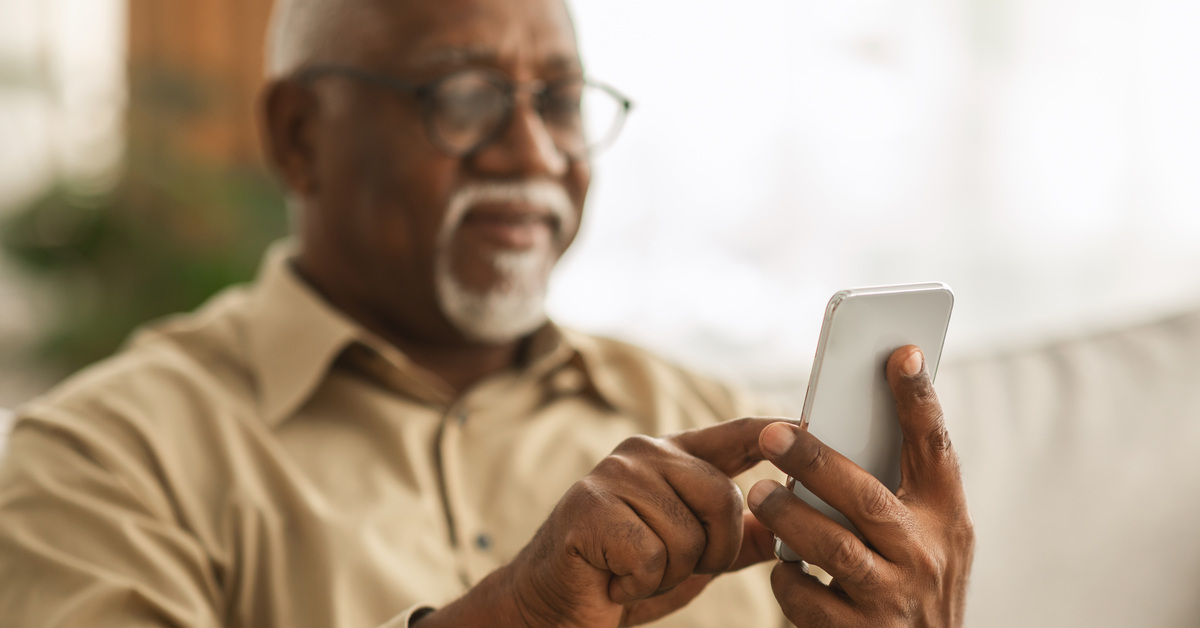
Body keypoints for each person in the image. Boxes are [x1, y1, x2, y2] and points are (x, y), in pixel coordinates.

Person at [0, 0, 974, 626]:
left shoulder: (717, 417)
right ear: (301, 137)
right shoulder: (101, 456)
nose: (534, 153)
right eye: (463, 98)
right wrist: (512, 617)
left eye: (557, 101)